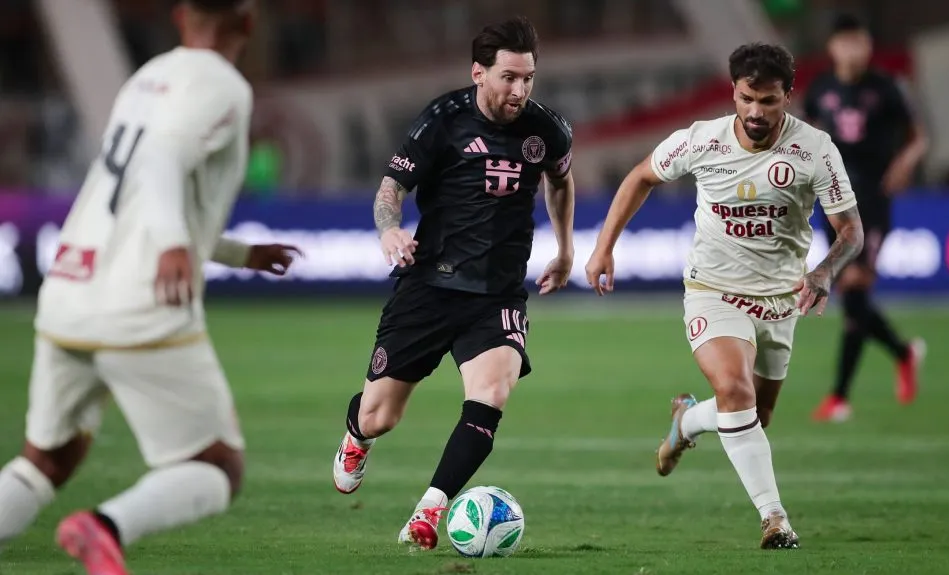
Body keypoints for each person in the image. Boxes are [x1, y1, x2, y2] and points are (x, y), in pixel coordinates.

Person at [0, 2, 301, 573]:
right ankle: (106, 527)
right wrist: (169, 244)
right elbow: (161, 162)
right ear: (249, 22)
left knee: (47, 459)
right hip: (137, 304)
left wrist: (237, 253)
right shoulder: (223, 87)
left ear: (180, 15)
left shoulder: (146, 78)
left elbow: (141, 189)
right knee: (217, 467)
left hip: (69, 291)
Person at [584, 42, 865, 550]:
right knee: (736, 392)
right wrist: (604, 248)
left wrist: (824, 271)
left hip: (781, 300)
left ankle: (687, 420)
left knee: (756, 416)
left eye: (769, 102)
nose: (756, 112)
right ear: (733, 92)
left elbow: (851, 231)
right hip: (713, 291)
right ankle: (774, 518)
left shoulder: (815, 149)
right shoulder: (700, 141)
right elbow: (640, 177)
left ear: (788, 97)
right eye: (746, 98)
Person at [331, 16, 575, 551]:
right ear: (478, 72)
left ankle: (430, 511)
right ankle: (355, 435)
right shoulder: (442, 120)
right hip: (430, 287)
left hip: (498, 294)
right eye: (509, 77)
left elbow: (560, 177)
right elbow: (392, 186)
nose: (520, 90)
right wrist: (389, 229)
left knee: (491, 393)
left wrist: (565, 247)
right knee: (380, 416)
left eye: (528, 78)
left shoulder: (546, 129)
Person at [803, 14, 928, 422]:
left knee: (855, 286)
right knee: (853, 298)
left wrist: (904, 164)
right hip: (832, 199)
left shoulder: (887, 87)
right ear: (834, 47)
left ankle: (840, 396)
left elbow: (918, 136)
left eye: (860, 41)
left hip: (872, 199)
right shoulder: (821, 89)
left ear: (868, 45)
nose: (853, 50)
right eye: (846, 42)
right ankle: (902, 353)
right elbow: (808, 135)